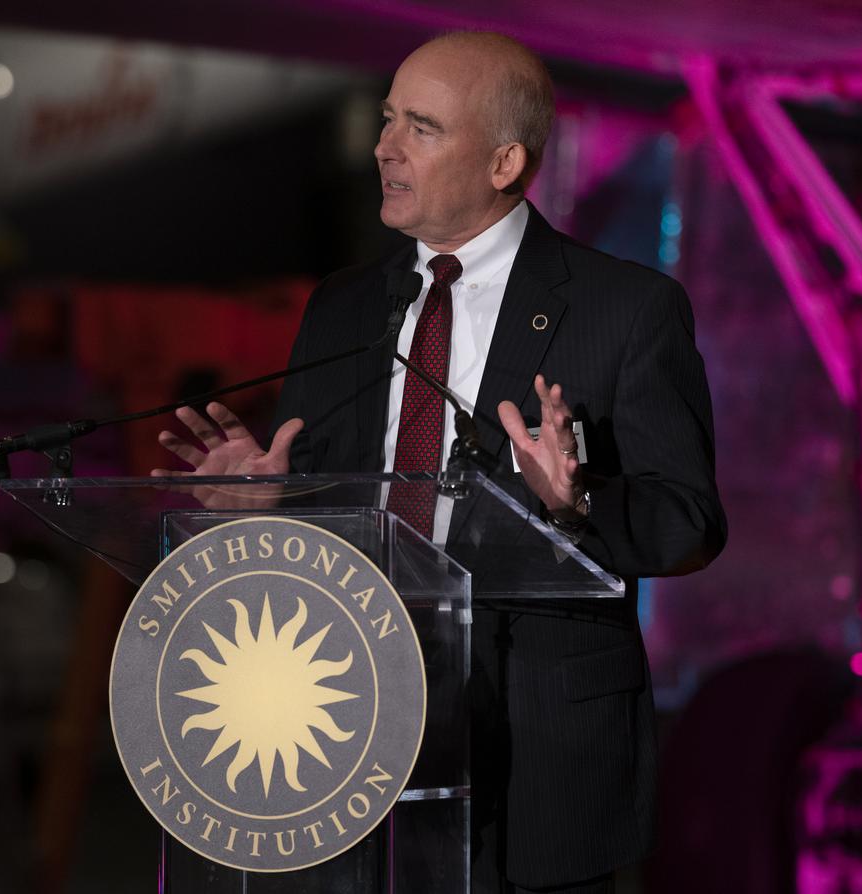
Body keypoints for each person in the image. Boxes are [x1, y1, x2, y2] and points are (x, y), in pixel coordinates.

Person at [154, 31, 726, 893]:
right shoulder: (346, 307)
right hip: (346, 730)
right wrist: (273, 502)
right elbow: (336, 508)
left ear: (504, 161)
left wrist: (576, 504)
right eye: (387, 120)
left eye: (420, 127)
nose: (383, 147)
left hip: (535, 754)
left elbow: (689, 523)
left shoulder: (627, 309)